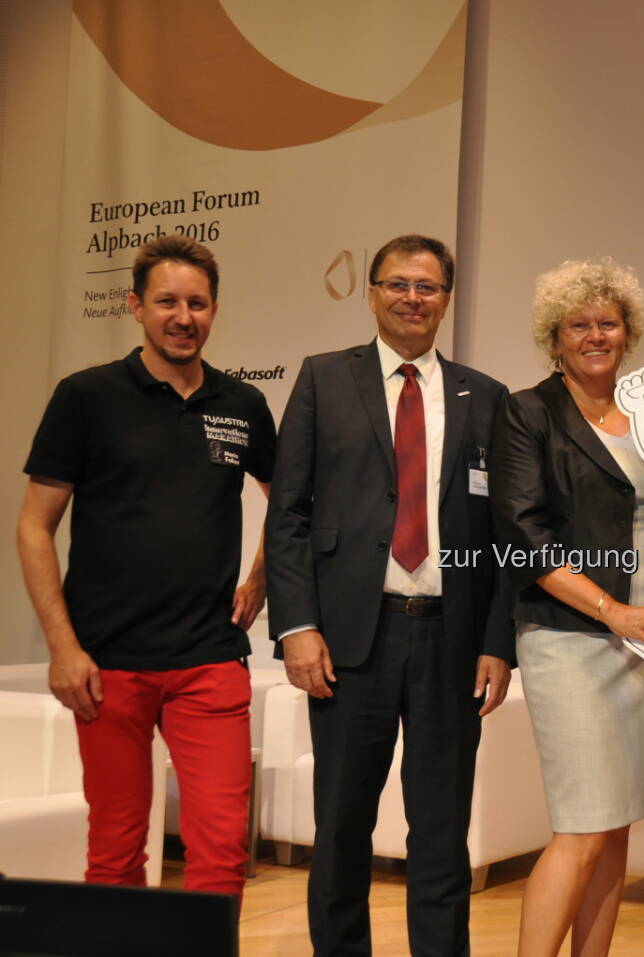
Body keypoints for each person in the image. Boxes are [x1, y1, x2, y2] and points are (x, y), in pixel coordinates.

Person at [265, 234, 513, 957]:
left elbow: (503, 535)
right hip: (348, 640)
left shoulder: (485, 396)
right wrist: (298, 626)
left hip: (451, 642)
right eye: (398, 283)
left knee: (441, 833)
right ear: (371, 291)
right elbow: (288, 515)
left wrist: (499, 639)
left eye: (428, 286)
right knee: (341, 829)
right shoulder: (322, 379)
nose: (413, 297)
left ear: (447, 298)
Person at [17, 235, 272, 895]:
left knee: (219, 853)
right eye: (167, 301)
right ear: (134, 305)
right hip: (106, 666)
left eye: (197, 302)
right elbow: (34, 526)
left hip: (210, 661)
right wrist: (62, 646)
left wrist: (260, 576)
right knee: (116, 853)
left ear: (214, 310)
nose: (182, 316)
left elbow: (291, 504)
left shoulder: (242, 406)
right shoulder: (86, 397)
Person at [491, 258, 644, 957]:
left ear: (628, 333)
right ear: (554, 338)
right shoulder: (527, 413)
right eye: (577, 324)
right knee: (582, 825)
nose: (594, 335)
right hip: (570, 640)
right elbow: (525, 532)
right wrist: (613, 609)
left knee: (616, 825)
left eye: (607, 323)